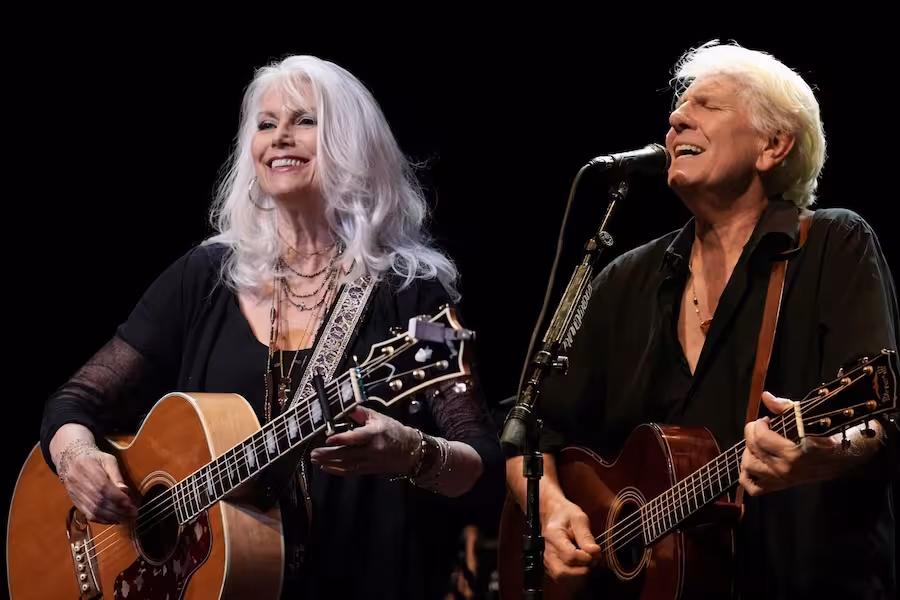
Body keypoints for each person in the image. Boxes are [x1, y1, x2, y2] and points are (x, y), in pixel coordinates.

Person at [40, 54, 504, 600]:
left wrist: (415, 453)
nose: (280, 137)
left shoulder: (413, 291)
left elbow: (485, 466)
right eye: (266, 124)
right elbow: (72, 402)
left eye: (304, 120)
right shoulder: (206, 274)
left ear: (351, 142)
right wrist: (77, 460)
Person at [505, 40, 898, 598]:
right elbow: (528, 431)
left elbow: (877, 411)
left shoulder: (834, 246)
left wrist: (827, 452)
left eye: (707, 105)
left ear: (773, 145)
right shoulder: (623, 279)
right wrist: (551, 511)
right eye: (677, 110)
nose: (675, 119)